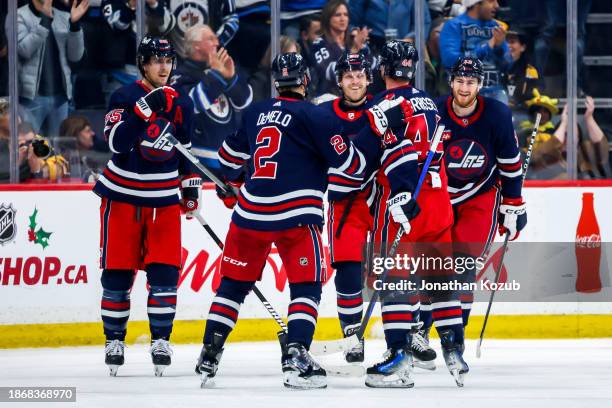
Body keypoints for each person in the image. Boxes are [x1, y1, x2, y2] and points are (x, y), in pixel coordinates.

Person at [196, 52, 413, 389]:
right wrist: (373, 132)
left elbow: (226, 158)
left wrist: (235, 184)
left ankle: (210, 351)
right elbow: (353, 168)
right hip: (296, 216)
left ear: (276, 82)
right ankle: (297, 356)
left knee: (233, 285)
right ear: (306, 80)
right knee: (306, 286)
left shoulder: (255, 112)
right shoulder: (316, 116)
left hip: (249, 213)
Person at [92, 35, 199, 377]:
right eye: (155, 60)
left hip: (164, 201)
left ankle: (161, 340)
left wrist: (191, 189)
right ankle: (114, 340)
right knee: (117, 274)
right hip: (122, 197)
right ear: (142, 64)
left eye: (167, 60)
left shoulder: (182, 100)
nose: (163, 66)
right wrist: (142, 111)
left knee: (165, 273)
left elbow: (186, 151)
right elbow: (116, 143)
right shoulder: (124, 96)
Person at [364, 40, 458, 388]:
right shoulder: (429, 103)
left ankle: (399, 357)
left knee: (395, 281)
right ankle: (454, 349)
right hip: (438, 199)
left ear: (384, 70)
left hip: (404, 202)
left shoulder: (385, 103)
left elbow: (368, 151)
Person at [434, 56, 526, 375]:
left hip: (481, 197)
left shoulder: (497, 114)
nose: (465, 87)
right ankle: (420, 331)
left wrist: (513, 205)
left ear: (480, 85)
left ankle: (456, 342)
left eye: (471, 82)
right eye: (460, 81)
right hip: (440, 196)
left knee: (463, 265)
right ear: (451, 82)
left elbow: (511, 165)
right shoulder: (434, 112)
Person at [170, 24, 252, 174]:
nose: (217, 43)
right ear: (196, 46)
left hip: (229, 164)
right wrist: (216, 75)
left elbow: (244, 102)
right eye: (210, 39)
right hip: (197, 165)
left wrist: (231, 77)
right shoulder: (180, 75)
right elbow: (192, 104)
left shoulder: (222, 69)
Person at [16, 0, 88, 137]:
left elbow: (75, 56)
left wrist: (74, 25)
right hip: (32, 97)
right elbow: (24, 50)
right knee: (30, 144)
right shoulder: (20, 15)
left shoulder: (63, 17)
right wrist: (45, 21)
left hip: (60, 96)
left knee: (59, 146)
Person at [520, 93, 611, 180]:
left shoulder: (583, 153)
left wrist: (589, 118)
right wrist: (563, 124)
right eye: (565, 134)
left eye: (573, 134)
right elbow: (536, 157)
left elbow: (601, 150)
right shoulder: (550, 156)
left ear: (579, 138)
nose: (569, 139)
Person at [439, 0, 512, 103]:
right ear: (476, 3)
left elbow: (508, 66)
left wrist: (499, 48)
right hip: (463, 93)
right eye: (491, 1)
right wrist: (486, 48)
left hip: (495, 93)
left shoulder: (496, 27)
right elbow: (450, 61)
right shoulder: (454, 25)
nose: (497, 5)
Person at [309, 0, 370, 97]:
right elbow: (329, 73)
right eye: (338, 15)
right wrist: (354, 50)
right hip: (328, 97)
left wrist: (362, 47)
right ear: (328, 18)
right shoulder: (319, 44)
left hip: (357, 94)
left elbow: (371, 67)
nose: (343, 19)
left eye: (345, 15)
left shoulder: (354, 39)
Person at [148, 0, 239, 60]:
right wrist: (155, 5)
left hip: (212, 60)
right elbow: (164, 26)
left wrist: (215, 43)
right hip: (176, 61)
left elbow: (231, 18)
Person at [505, 29, 539, 115]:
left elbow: (531, 97)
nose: (508, 45)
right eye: (505, 42)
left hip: (521, 114)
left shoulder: (530, 71)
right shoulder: (493, 67)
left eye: (512, 42)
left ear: (523, 47)